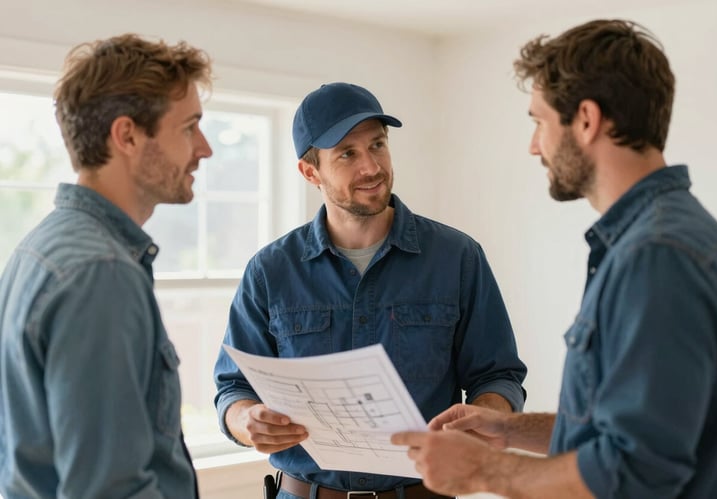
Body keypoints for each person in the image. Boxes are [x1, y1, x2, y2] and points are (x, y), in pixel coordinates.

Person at [391, 19, 717, 499]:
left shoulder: (658, 256)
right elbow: (629, 426)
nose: (534, 145)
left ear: (586, 119)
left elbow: (635, 471)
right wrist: (511, 431)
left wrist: (486, 471)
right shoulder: (653, 240)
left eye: (539, 122)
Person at [213, 81, 528, 498]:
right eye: (347, 154)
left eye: (377, 145)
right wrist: (247, 421)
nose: (371, 167)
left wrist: (479, 419)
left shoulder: (458, 258)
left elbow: (498, 375)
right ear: (311, 172)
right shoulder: (270, 271)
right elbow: (233, 388)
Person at [0, 34, 213, 498]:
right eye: (189, 127)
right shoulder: (101, 273)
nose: (204, 148)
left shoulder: (39, 248)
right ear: (128, 135)